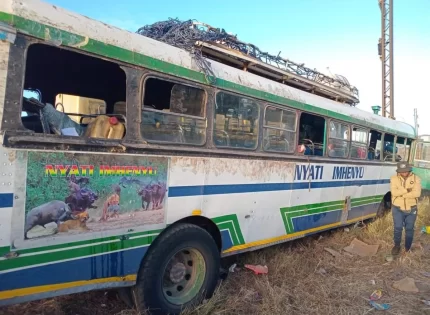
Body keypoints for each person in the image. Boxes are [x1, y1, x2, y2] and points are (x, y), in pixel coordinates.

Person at [390, 162, 422, 255]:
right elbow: (394, 192)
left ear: (409, 169)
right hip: (397, 208)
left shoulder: (416, 178)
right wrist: (407, 190)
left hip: (412, 208)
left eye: (405, 171)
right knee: (398, 228)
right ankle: (396, 246)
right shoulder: (394, 178)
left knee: (409, 229)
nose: (404, 173)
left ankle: (407, 248)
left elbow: (417, 194)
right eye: (401, 171)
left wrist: (401, 194)